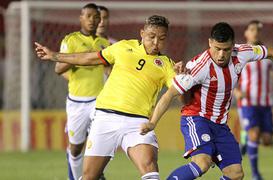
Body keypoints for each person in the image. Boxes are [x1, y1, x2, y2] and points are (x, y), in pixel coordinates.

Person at [140, 22, 273, 180]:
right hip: (196, 118)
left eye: (226, 49)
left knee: (236, 174)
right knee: (202, 163)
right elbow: (169, 95)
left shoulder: (242, 53)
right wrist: (152, 123)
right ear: (210, 43)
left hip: (220, 124)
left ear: (233, 45)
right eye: (217, 48)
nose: (221, 54)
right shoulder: (199, 67)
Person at [35, 15, 183, 180]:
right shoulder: (123, 47)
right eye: (152, 37)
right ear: (142, 33)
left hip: (137, 124)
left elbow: (179, 94)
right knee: (89, 176)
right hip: (105, 118)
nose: (156, 43)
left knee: (150, 170)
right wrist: (54, 55)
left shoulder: (167, 64)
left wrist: (183, 77)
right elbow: (89, 58)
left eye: (161, 39)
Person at [54, 3, 110, 180]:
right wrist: (82, 56)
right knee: (76, 148)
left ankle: (95, 175)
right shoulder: (71, 40)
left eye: (96, 17)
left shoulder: (103, 43)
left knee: (97, 146)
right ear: (81, 18)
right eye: (89, 16)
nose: (93, 20)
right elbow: (58, 68)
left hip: (98, 102)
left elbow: (109, 70)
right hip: (77, 102)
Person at [233, 20, 273, 180]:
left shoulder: (267, 54)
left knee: (267, 140)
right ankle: (256, 174)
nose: (256, 32)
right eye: (252, 29)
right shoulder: (239, 53)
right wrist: (236, 91)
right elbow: (230, 75)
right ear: (246, 33)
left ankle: (245, 141)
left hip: (265, 103)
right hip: (247, 103)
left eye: (258, 30)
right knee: (255, 134)